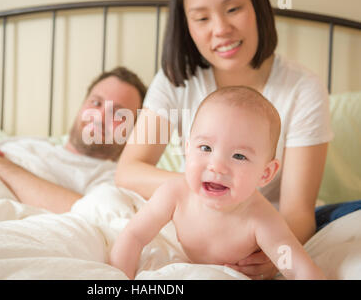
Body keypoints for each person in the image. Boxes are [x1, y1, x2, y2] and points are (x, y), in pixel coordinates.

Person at [115, 0, 360, 280]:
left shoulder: (302, 88)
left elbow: (297, 211)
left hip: (261, 226)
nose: (220, 29)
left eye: (233, 9)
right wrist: (196, 188)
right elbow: (127, 171)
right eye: (202, 18)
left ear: (257, 8)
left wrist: (272, 256)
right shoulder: (175, 82)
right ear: (186, 25)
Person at [110, 86, 326, 280]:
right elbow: (133, 236)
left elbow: (298, 269)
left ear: (265, 173)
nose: (217, 166)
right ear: (187, 149)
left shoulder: (263, 220)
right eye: (205, 148)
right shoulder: (174, 194)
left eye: (239, 156)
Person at [0, 66, 146, 214]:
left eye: (118, 115)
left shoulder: (115, 177)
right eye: (96, 103)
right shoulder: (28, 143)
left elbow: (91, 215)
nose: (99, 118)